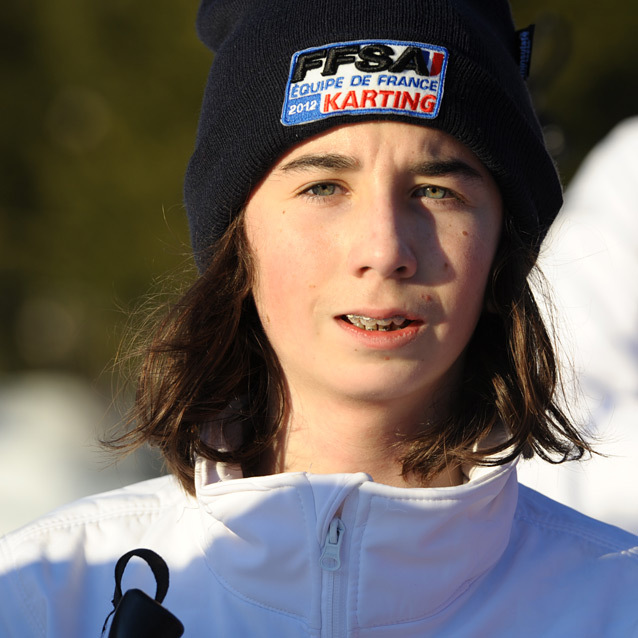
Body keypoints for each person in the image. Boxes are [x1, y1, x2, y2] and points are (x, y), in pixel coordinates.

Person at [1, 1, 637, 636]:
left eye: (436, 190)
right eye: (324, 187)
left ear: (502, 246)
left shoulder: (614, 604)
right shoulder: (47, 600)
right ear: (237, 240)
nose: (384, 250)